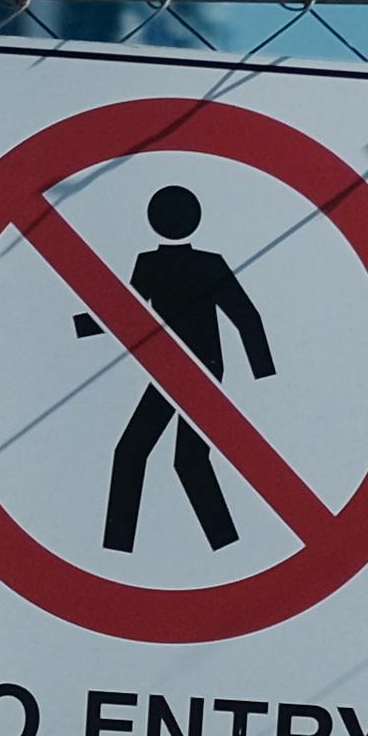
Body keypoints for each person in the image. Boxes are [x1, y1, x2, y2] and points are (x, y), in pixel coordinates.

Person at [87, 184, 275, 553]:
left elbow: (245, 316)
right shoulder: (174, 263)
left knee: (139, 453)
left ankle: (121, 546)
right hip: (179, 368)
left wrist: (263, 373)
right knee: (184, 459)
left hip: (195, 370)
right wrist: (261, 371)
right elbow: (124, 313)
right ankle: (225, 546)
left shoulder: (180, 263)